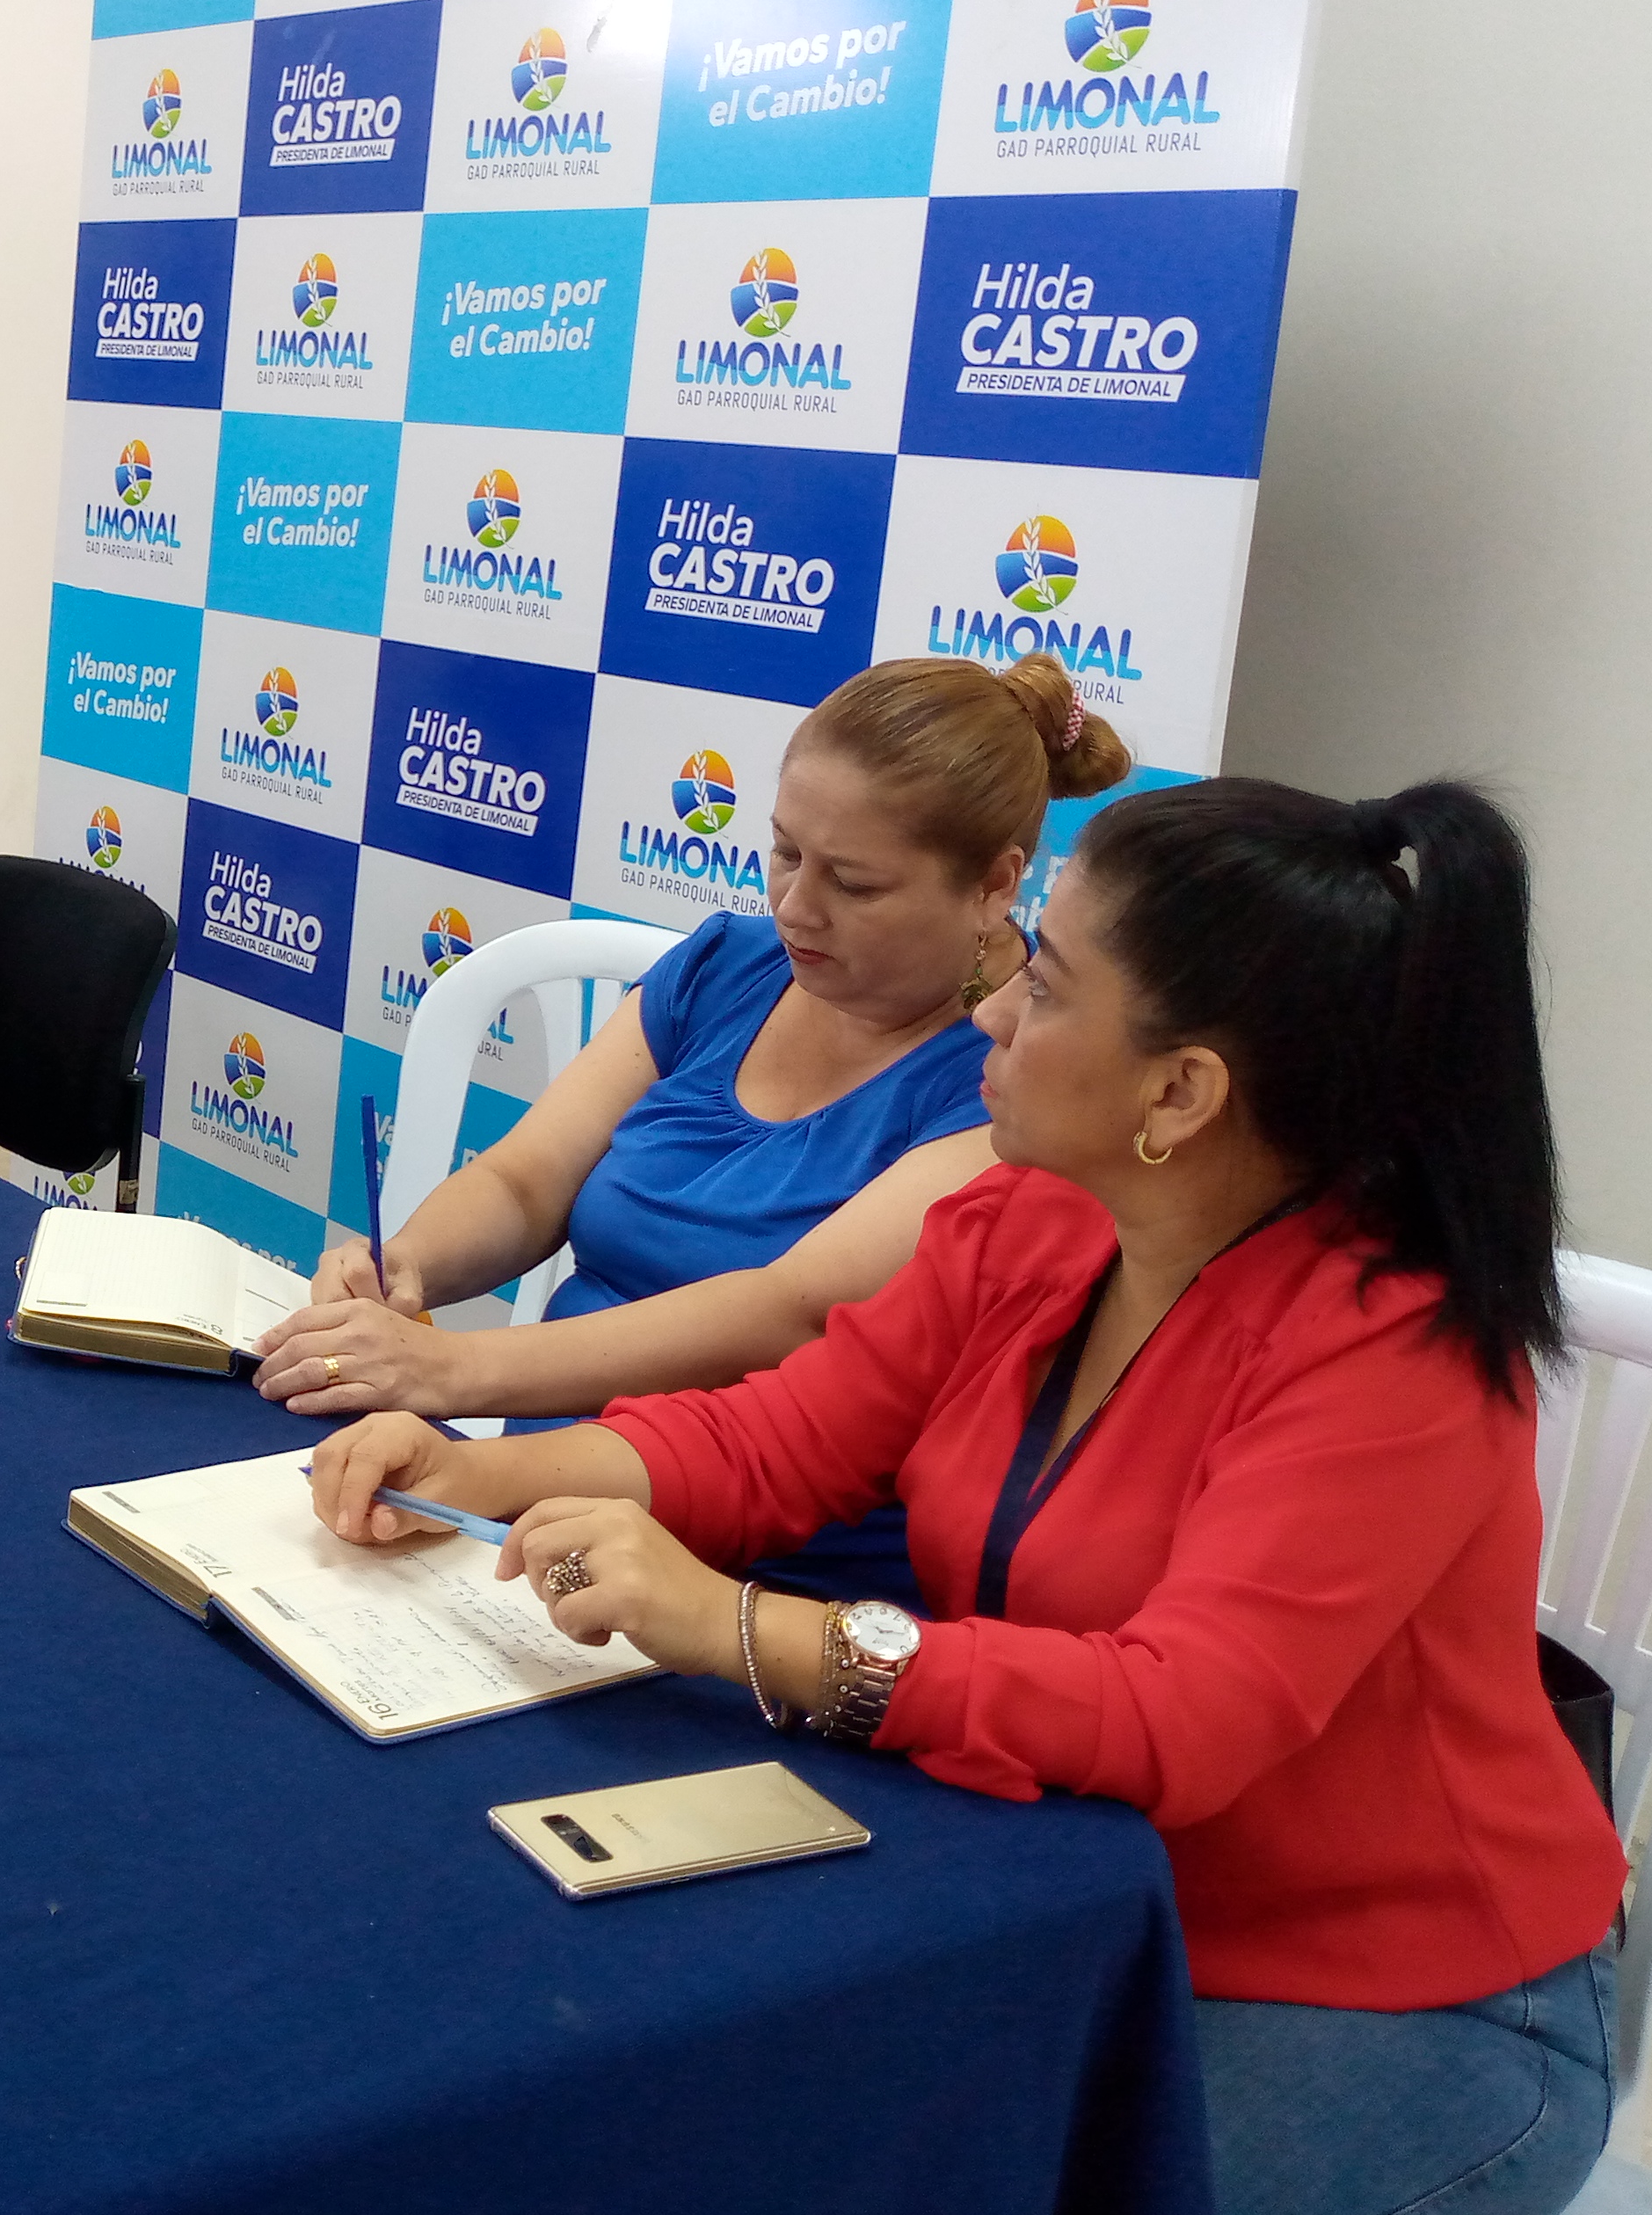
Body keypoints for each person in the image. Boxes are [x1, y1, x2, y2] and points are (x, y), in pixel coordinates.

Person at [309, 778, 1620, 2215]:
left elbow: (1175, 1718)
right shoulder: (1037, 1219)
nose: (993, 1010)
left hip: (1404, 2004)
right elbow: (777, 1438)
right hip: (1074, 1901)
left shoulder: (1391, 1351)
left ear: (1182, 1092)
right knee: (704, 2151)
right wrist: (474, 1469)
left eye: (1045, 985)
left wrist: (737, 1629)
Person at [253, 655, 1132, 1606]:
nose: (794, 906)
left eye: (854, 884)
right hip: (520, 1511)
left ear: (996, 884)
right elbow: (525, 1179)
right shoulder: (724, 965)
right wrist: (411, 1267)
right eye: (785, 852)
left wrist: (447, 1370)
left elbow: (787, 1310)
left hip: (765, 1582)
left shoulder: (1012, 1076)